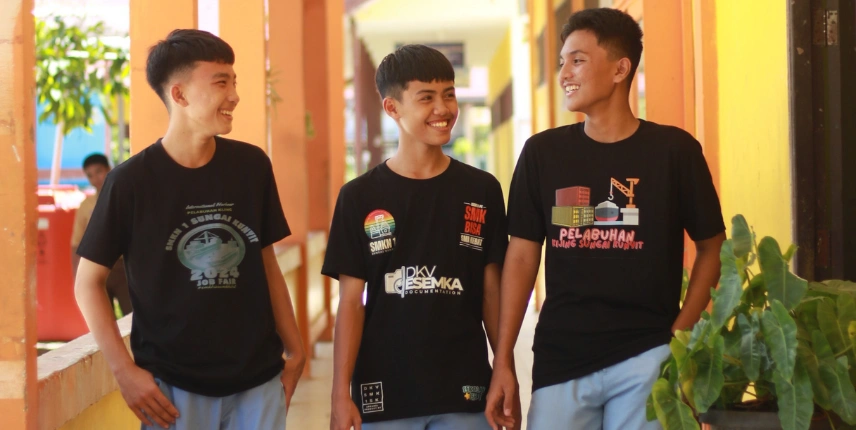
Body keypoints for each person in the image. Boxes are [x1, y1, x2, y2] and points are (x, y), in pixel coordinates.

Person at [484, 8, 726, 430]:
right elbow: (520, 257)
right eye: (562, 61)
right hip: (562, 358)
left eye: (577, 60)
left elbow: (712, 247)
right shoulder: (542, 154)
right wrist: (503, 360)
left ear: (620, 69)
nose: (564, 74)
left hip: (647, 354)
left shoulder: (675, 151)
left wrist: (678, 337)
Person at [74, 29, 305, 430]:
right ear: (179, 94)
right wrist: (124, 372)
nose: (234, 95)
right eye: (221, 83)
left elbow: (264, 261)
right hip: (171, 391)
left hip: (258, 380)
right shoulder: (130, 182)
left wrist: (296, 351)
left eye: (234, 82)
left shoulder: (252, 167)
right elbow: (87, 283)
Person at [323, 44, 514, 430]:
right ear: (392, 107)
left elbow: (491, 291)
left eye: (449, 94)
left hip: (465, 392)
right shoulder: (359, 196)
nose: (443, 109)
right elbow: (351, 303)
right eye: (426, 98)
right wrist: (340, 392)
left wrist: (504, 367)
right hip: (384, 393)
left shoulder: (482, 189)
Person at [71, 153, 132, 316]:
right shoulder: (86, 206)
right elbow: (76, 243)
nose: (95, 179)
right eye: (90, 175)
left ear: (109, 169)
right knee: (101, 319)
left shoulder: (126, 198)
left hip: (124, 267)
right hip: (94, 267)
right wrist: (77, 275)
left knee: (132, 317)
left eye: (99, 171)